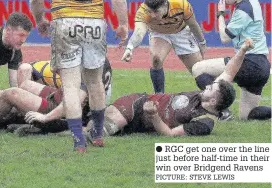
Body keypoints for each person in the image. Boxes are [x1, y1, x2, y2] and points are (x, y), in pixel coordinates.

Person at [29, 0, 128, 152]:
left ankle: (78, 140)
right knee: (94, 82)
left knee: (71, 85)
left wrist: (41, 19)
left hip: (64, 22)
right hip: (94, 21)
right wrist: (123, 24)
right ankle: (97, 133)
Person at [74, 39, 252, 137]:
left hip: (146, 118)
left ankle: (71, 121)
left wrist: (153, 115)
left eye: (211, 87)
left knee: (98, 126)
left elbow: (169, 134)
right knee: (104, 129)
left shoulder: (204, 122)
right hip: (138, 102)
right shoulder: (206, 95)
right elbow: (229, 72)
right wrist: (243, 50)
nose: (206, 85)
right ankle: (69, 123)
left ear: (213, 100)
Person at [190, 0, 270, 121]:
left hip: (249, 62)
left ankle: (221, 109)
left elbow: (225, 37)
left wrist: (220, 14)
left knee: (198, 69)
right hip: (262, 66)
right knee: (247, 116)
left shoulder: (242, 10)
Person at [121, 0, 207, 93]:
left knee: (199, 70)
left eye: (156, 11)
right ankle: (159, 96)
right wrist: (130, 48)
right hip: (159, 33)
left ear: (165, 4)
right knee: (156, 59)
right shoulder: (143, 11)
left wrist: (202, 42)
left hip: (181, 32)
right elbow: (139, 32)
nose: (152, 15)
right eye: (150, 11)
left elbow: (193, 24)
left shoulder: (180, 3)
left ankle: (214, 98)